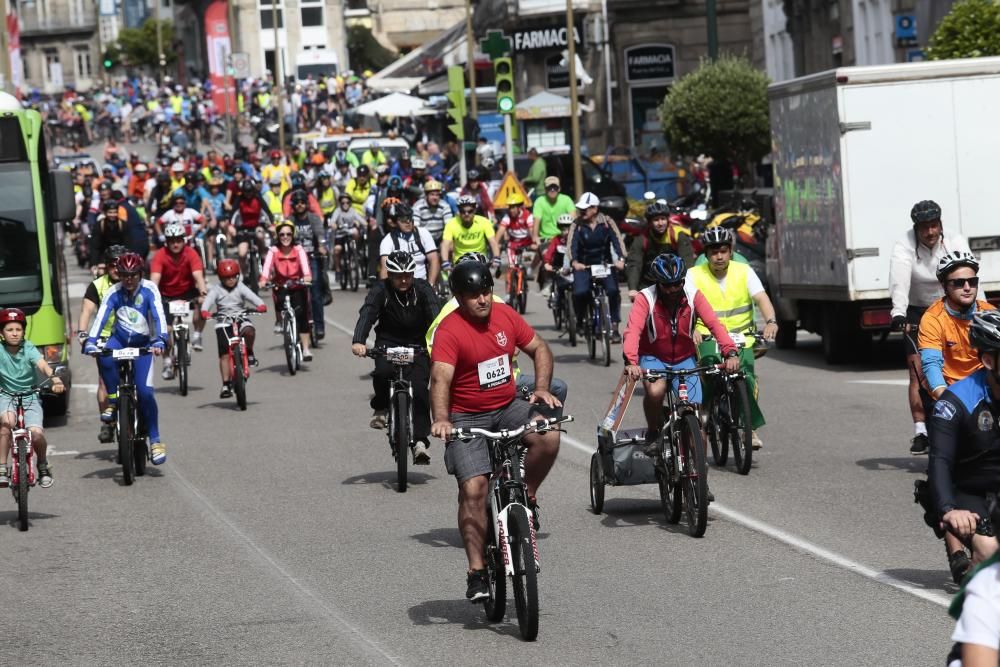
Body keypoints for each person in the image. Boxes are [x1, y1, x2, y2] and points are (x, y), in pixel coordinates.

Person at [429, 260, 562, 602]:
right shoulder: (449, 330)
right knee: (474, 488)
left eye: (486, 291)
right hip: (466, 417)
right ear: (459, 297)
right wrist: (442, 418)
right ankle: (476, 572)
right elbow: (440, 379)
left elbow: (540, 348)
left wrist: (542, 387)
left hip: (507, 406)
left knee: (549, 435)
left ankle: (527, 497)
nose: (483, 300)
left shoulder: (505, 315)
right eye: (474, 295)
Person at [918, 251, 996, 583]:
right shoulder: (933, 318)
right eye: (958, 282)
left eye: (972, 281)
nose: (967, 287)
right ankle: (956, 551)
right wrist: (944, 403)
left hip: (989, 391)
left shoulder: (991, 315)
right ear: (944, 286)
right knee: (949, 464)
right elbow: (932, 366)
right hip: (948, 394)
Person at [623, 253, 739, 456]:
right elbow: (633, 331)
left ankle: (700, 480)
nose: (672, 290)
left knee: (695, 418)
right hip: (654, 356)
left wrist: (730, 352)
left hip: (685, 358)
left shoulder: (694, 295)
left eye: (677, 284)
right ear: (657, 283)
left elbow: (714, 324)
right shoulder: (646, 298)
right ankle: (653, 431)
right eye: (666, 285)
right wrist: (631, 361)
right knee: (656, 391)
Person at [891, 200, 972, 456]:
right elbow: (900, 282)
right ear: (916, 228)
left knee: (964, 364)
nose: (930, 232)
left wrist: (980, 310)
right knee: (918, 371)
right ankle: (920, 431)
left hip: (952, 308)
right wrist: (898, 313)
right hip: (918, 310)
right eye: (924, 227)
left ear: (941, 225)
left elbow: (969, 275)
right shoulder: (904, 246)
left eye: (934, 226)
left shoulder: (955, 241)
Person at [687, 226, 777, 449]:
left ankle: (750, 428)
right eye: (714, 252)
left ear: (731, 252)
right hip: (708, 336)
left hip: (741, 337)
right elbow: (685, 306)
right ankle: (706, 408)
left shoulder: (744, 271)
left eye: (724, 251)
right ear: (705, 254)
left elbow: (762, 298)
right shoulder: (694, 274)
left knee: (746, 377)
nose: (719, 256)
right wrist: (692, 329)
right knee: (709, 369)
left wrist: (771, 321)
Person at [928, 309, 1000, 573]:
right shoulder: (956, 401)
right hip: (968, 492)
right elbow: (940, 461)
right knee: (991, 554)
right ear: (990, 361)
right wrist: (948, 509)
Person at [352, 250, 440, 463]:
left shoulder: (423, 289)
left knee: (419, 388)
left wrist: (439, 344)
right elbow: (368, 313)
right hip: (388, 343)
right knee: (382, 372)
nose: (403, 280)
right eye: (398, 275)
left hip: (418, 345)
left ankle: (420, 441)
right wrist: (359, 341)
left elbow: (437, 317)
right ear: (389, 275)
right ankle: (381, 406)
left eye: (407, 275)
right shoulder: (380, 290)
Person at [83, 253, 169, 465]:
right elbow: (101, 316)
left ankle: (156, 440)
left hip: (144, 344)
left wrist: (161, 339)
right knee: (102, 355)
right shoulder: (113, 292)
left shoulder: (149, 289)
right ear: (119, 275)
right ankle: (113, 401)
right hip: (119, 340)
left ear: (140, 274)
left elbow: (159, 315)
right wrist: (91, 340)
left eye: (133, 275)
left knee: (146, 392)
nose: (129, 280)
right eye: (124, 275)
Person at [0, 308, 65, 489]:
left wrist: (55, 379)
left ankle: (43, 465)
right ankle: (2, 468)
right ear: (1, 333)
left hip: (30, 396)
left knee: (36, 434)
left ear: (23, 331)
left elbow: (43, 365)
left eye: (18, 329)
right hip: (6, 396)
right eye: (9, 329)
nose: (14, 333)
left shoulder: (28, 347)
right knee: (7, 424)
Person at [77, 244, 127, 443]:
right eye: (112, 265)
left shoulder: (131, 281)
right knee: (104, 383)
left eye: (119, 264)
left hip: (129, 337)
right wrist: (83, 333)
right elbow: (86, 311)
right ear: (106, 266)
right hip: (105, 338)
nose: (116, 269)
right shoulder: (97, 285)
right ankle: (107, 424)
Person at [200, 259, 267, 399]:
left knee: (249, 330)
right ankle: (226, 384)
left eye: (233, 277)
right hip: (223, 321)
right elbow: (207, 304)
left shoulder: (241, 287)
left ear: (237, 276)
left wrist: (260, 305)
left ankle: (249, 352)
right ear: (220, 278)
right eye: (226, 278)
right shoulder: (216, 290)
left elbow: (254, 298)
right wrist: (205, 311)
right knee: (224, 353)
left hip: (240, 316)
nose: (230, 280)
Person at [149, 222, 208, 379]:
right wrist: (151, 299)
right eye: (172, 240)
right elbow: (154, 280)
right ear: (166, 242)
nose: (175, 244)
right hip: (166, 295)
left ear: (184, 240)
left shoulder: (191, 253)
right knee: (166, 330)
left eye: (178, 240)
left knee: (204, 304)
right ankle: (167, 360)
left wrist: (203, 294)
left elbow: (198, 277)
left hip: (187, 292)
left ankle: (197, 334)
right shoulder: (160, 256)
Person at [568, 191, 626, 343]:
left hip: (604, 264)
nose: (582, 212)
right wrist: (574, 262)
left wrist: (621, 259)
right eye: (580, 209)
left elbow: (618, 241)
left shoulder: (607, 222)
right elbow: (571, 246)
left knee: (613, 291)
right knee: (580, 292)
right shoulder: (576, 224)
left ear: (595, 209)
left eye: (585, 209)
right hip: (584, 265)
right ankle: (580, 320)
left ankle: (614, 327)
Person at [260, 221, 314, 361]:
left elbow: (305, 266)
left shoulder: (299, 249)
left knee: (302, 317)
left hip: (297, 285)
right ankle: (280, 322)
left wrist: (307, 276)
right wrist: (263, 279)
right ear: (278, 236)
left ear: (293, 235)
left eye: (288, 234)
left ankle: (306, 349)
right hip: (281, 286)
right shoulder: (274, 250)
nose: (285, 237)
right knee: (279, 302)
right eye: (282, 234)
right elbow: (267, 267)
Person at [626, 201, 692, 300]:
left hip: (673, 284)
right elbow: (635, 263)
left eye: (663, 219)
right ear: (650, 222)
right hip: (648, 284)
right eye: (656, 220)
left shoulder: (678, 235)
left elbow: (687, 260)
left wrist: (688, 283)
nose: (660, 223)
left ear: (668, 220)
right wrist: (633, 288)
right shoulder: (642, 239)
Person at [288, 190, 329, 340]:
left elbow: (320, 234)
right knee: (293, 292)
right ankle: (296, 325)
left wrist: (322, 247)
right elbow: (284, 236)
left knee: (316, 291)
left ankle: (319, 326)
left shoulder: (314, 218)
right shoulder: (290, 219)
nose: (300, 205)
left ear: (306, 204)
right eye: (297, 203)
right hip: (295, 260)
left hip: (312, 258)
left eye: (302, 202)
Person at [378, 200, 439, 284]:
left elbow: (434, 259)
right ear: (395, 222)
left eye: (410, 217)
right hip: (400, 286)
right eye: (403, 219)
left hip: (423, 284)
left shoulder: (423, 233)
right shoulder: (388, 241)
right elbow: (385, 269)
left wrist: (430, 285)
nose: (408, 222)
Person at [531, 176, 576, 290]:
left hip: (564, 236)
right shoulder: (540, 201)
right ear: (545, 189)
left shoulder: (566, 200)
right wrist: (535, 237)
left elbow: (574, 219)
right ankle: (548, 281)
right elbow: (536, 221)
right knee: (547, 256)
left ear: (559, 188)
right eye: (549, 188)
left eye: (555, 187)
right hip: (547, 238)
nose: (552, 190)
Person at [439, 195, 500, 267]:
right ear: (459, 212)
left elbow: (493, 241)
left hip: (481, 261)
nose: (466, 214)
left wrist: (496, 257)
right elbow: (445, 244)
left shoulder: (484, 222)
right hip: (460, 263)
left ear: (474, 210)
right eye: (463, 211)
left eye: (470, 211)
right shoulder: (451, 224)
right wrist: (445, 261)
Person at [496, 194, 536, 299]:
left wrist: (534, 243)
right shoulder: (507, 217)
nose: (511, 210)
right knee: (511, 268)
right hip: (512, 244)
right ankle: (509, 293)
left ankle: (525, 277)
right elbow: (500, 232)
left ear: (520, 207)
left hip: (526, 244)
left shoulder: (528, 216)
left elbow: (532, 232)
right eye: (510, 207)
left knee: (523, 266)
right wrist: (496, 244)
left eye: (513, 207)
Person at [331, 192, 367, 275]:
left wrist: (365, 224)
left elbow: (361, 220)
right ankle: (338, 269)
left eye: (347, 202)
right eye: (343, 203)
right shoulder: (337, 211)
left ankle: (355, 250)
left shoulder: (352, 211)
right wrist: (334, 225)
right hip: (340, 234)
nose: (345, 204)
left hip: (350, 233)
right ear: (340, 203)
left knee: (356, 231)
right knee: (337, 250)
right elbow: (332, 221)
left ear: (350, 203)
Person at [411, 179, 450, 246]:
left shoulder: (445, 206)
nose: (435, 198)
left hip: (440, 240)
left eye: (437, 195)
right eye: (432, 194)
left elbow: (449, 225)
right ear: (426, 195)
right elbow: (415, 227)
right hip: (423, 240)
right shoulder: (418, 206)